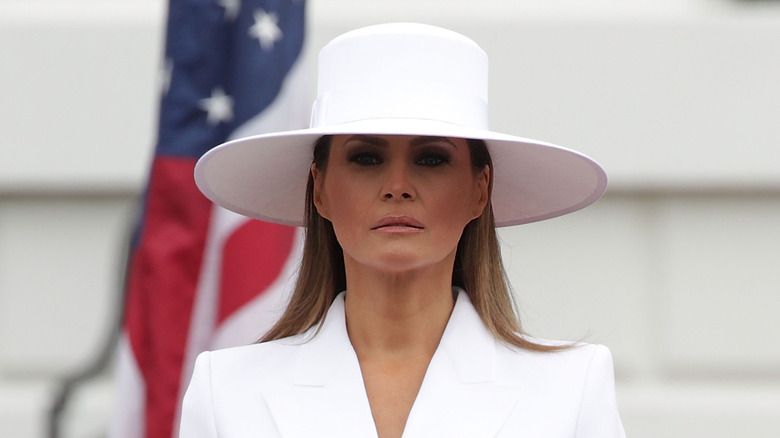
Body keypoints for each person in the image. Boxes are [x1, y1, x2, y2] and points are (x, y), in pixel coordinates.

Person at [181, 23, 625, 437]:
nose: (397, 188)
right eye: (366, 158)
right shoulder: (226, 394)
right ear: (320, 189)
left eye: (431, 158)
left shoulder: (570, 390)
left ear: (479, 188)